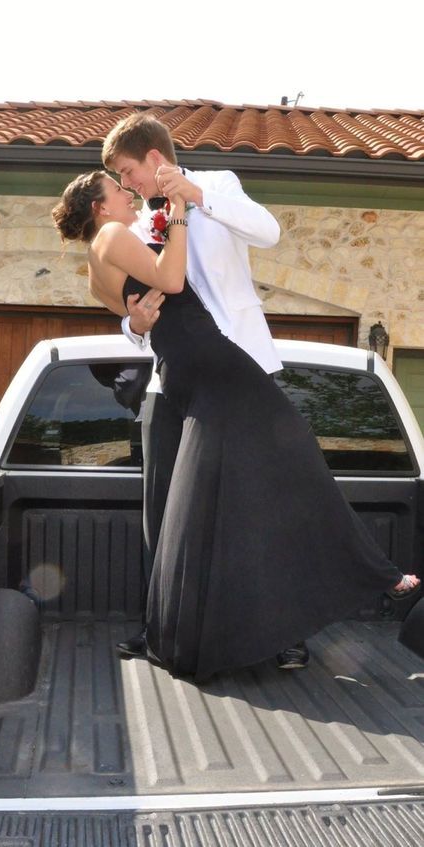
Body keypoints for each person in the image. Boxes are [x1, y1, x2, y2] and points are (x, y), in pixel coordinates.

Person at [51, 169, 420, 683]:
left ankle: (186, 634)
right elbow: (172, 281)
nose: (130, 194)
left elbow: (135, 313)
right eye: (119, 189)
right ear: (100, 208)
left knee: (198, 506)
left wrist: (136, 320)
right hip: (207, 358)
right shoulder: (115, 234)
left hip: (185, 363)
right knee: (296, 454)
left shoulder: (98, 260)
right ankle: (374, 573)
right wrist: (177, 212)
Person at [100, 114, 313, 668]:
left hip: (239, 372)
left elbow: (269, 232)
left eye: (128, 173)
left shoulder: (219, 183)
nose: (128, 187)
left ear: (152, 158)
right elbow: (126, 300)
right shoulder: (137, 222)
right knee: (166, 510)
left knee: (255, 505)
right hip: (172, 384)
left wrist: (194, 195)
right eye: (119, 182)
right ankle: (162, 630)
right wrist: (134, 326)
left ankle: (279, 634)